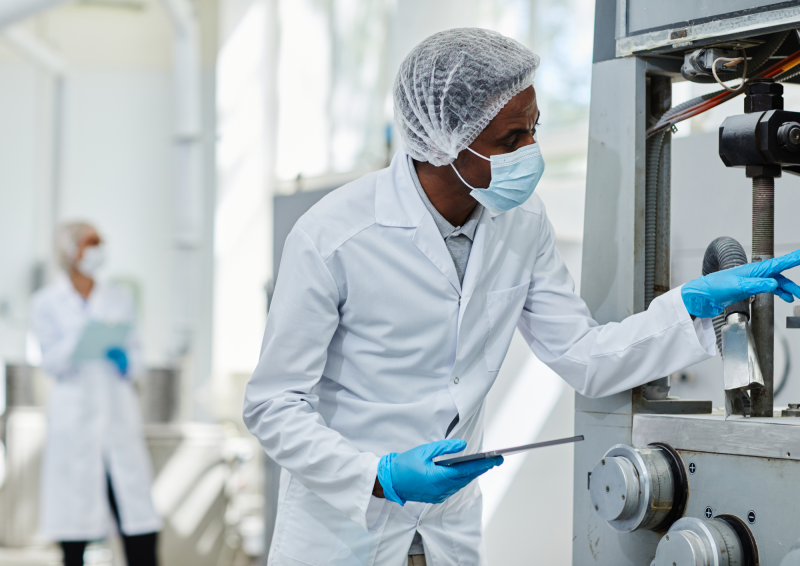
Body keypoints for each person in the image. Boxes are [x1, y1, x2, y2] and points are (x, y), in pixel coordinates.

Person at [243, 28, 800, 566]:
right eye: (511, 139)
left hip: (446, 533)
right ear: (444, 143)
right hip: (344, 534)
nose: (530, 150)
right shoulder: (334, 236)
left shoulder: (521, 220)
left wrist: (690, 306)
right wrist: (378, 475)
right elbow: (272, 404)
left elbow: (584, 357)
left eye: (533, 128)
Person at [31, 221, 161, 566]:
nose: (98, 248)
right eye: (90, 242)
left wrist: (125, 361)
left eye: (99, 241)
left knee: (137, 516)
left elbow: (137, 356)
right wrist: (85, 338)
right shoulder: (46, 302)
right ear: (70, 250)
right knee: (74, 525)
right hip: (75, 418)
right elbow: (50, 361)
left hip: (117, 413)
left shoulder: (119, 296)